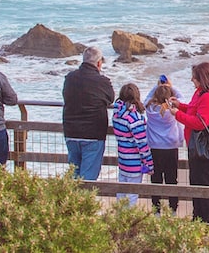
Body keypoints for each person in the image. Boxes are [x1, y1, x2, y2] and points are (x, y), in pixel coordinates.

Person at [170, 61, 209, 223]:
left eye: (194, 78)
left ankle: (207, 221)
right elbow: (195, 111)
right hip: (196, 146)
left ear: (202, 78)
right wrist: (180, 106)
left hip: (203, 148)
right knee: (196, 182)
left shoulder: (207, 96)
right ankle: (199, 218)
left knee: (203, 184)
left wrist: (177, 114)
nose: (192, 80)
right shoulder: (200, 93)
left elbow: (201, 122)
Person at [62, 46, 115, 180]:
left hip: (71, 132)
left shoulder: (70, 78)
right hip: (93, 134)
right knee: (88, 179)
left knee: (73, 176)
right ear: (99, 63)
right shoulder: (102, 81)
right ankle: (83, 201)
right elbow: (110, 98)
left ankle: (70, 201)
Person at [145, 75, 185, 214]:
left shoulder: (150, 109)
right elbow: (183, 98)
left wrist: (158, 87)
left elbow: (147, 98)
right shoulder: (171, 111)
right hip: (171, 146)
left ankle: (156, 210)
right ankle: (173, 209)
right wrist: (169, 87)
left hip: (155, 147)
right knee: (171, 178)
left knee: (155, 178)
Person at [113, 83, 154, 206]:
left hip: (122, 160)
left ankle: (120, 219)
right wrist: (149, 164)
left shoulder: (116, 114)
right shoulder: (135, 119)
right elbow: (142, 145)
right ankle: (128, 222)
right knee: (132, 196)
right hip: (134, 163)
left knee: (121, 193)